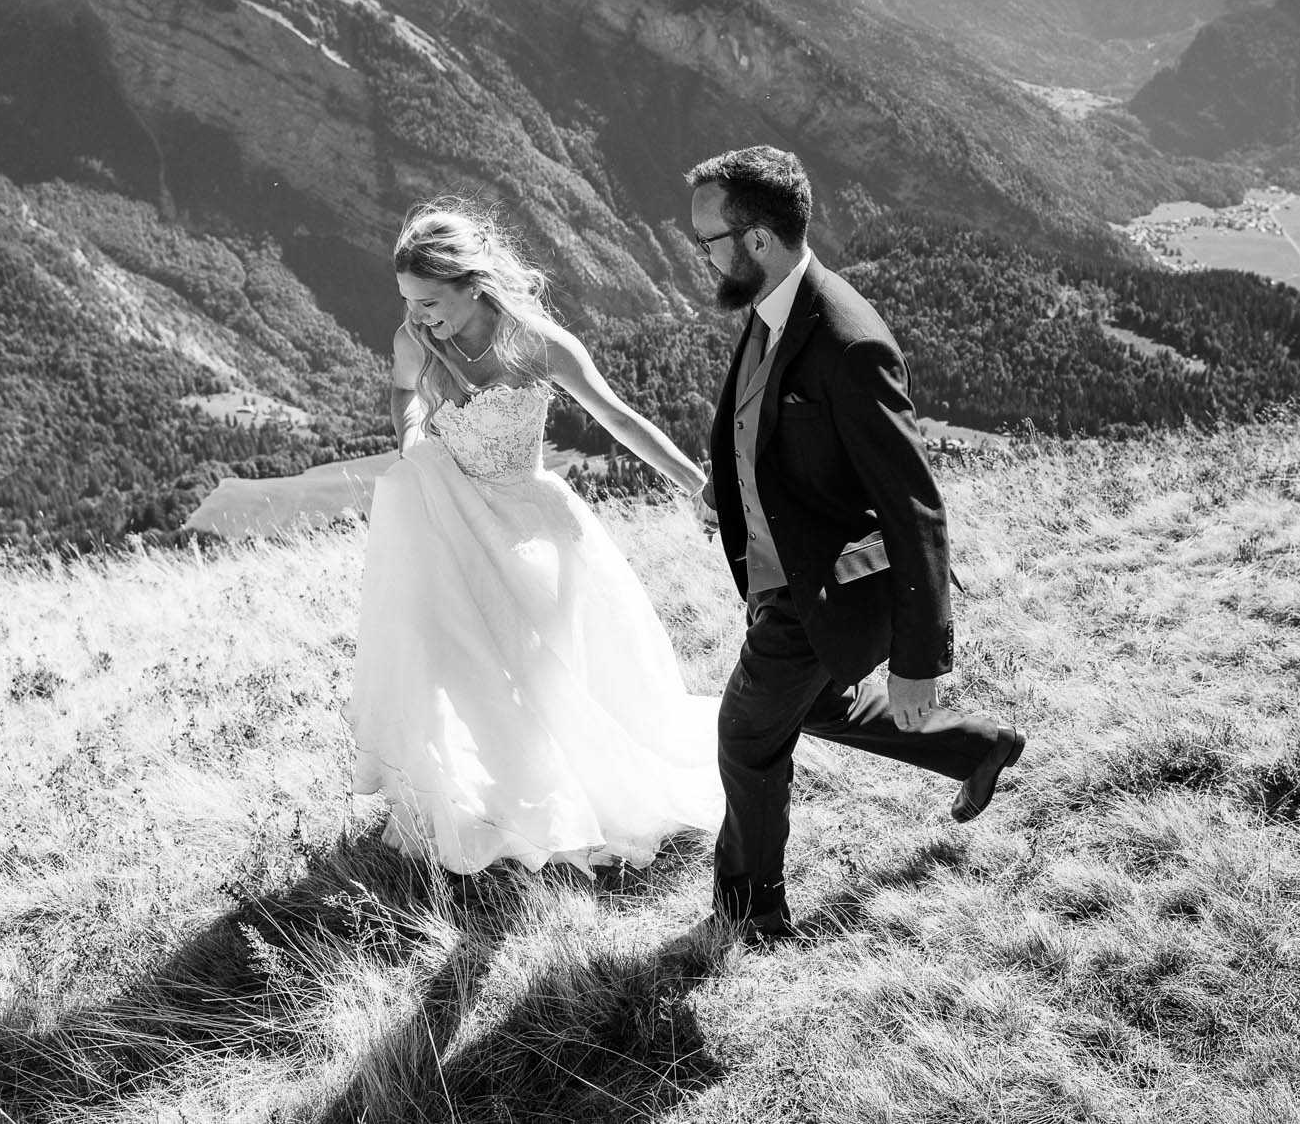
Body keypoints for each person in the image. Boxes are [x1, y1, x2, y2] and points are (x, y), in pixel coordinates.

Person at [687, 146, 1025, 943]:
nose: (699, 255)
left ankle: (750, 913)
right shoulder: (774, 309)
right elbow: (778, 438)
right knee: (817, 703)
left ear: (758, 241)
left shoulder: (846, 339)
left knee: (746, 735)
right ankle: (978, 748)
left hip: (821, 588)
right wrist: (730, 492)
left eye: (707, 240)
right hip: (783, 580)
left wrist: (918, 661)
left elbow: (916, 508)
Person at [345, 196, 723, 875]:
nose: (417, 316)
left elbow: (621, 420)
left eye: (430, 301)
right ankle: (502, 792)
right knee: (455, 656)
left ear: (472, 282)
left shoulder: (538, 343)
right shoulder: (414, 340)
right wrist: (410, 437)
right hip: (449, 512)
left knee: (544, 665)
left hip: (530, 521)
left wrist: (697, 483)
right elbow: (405, 394)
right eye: (408, 300)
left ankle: (566, 793)